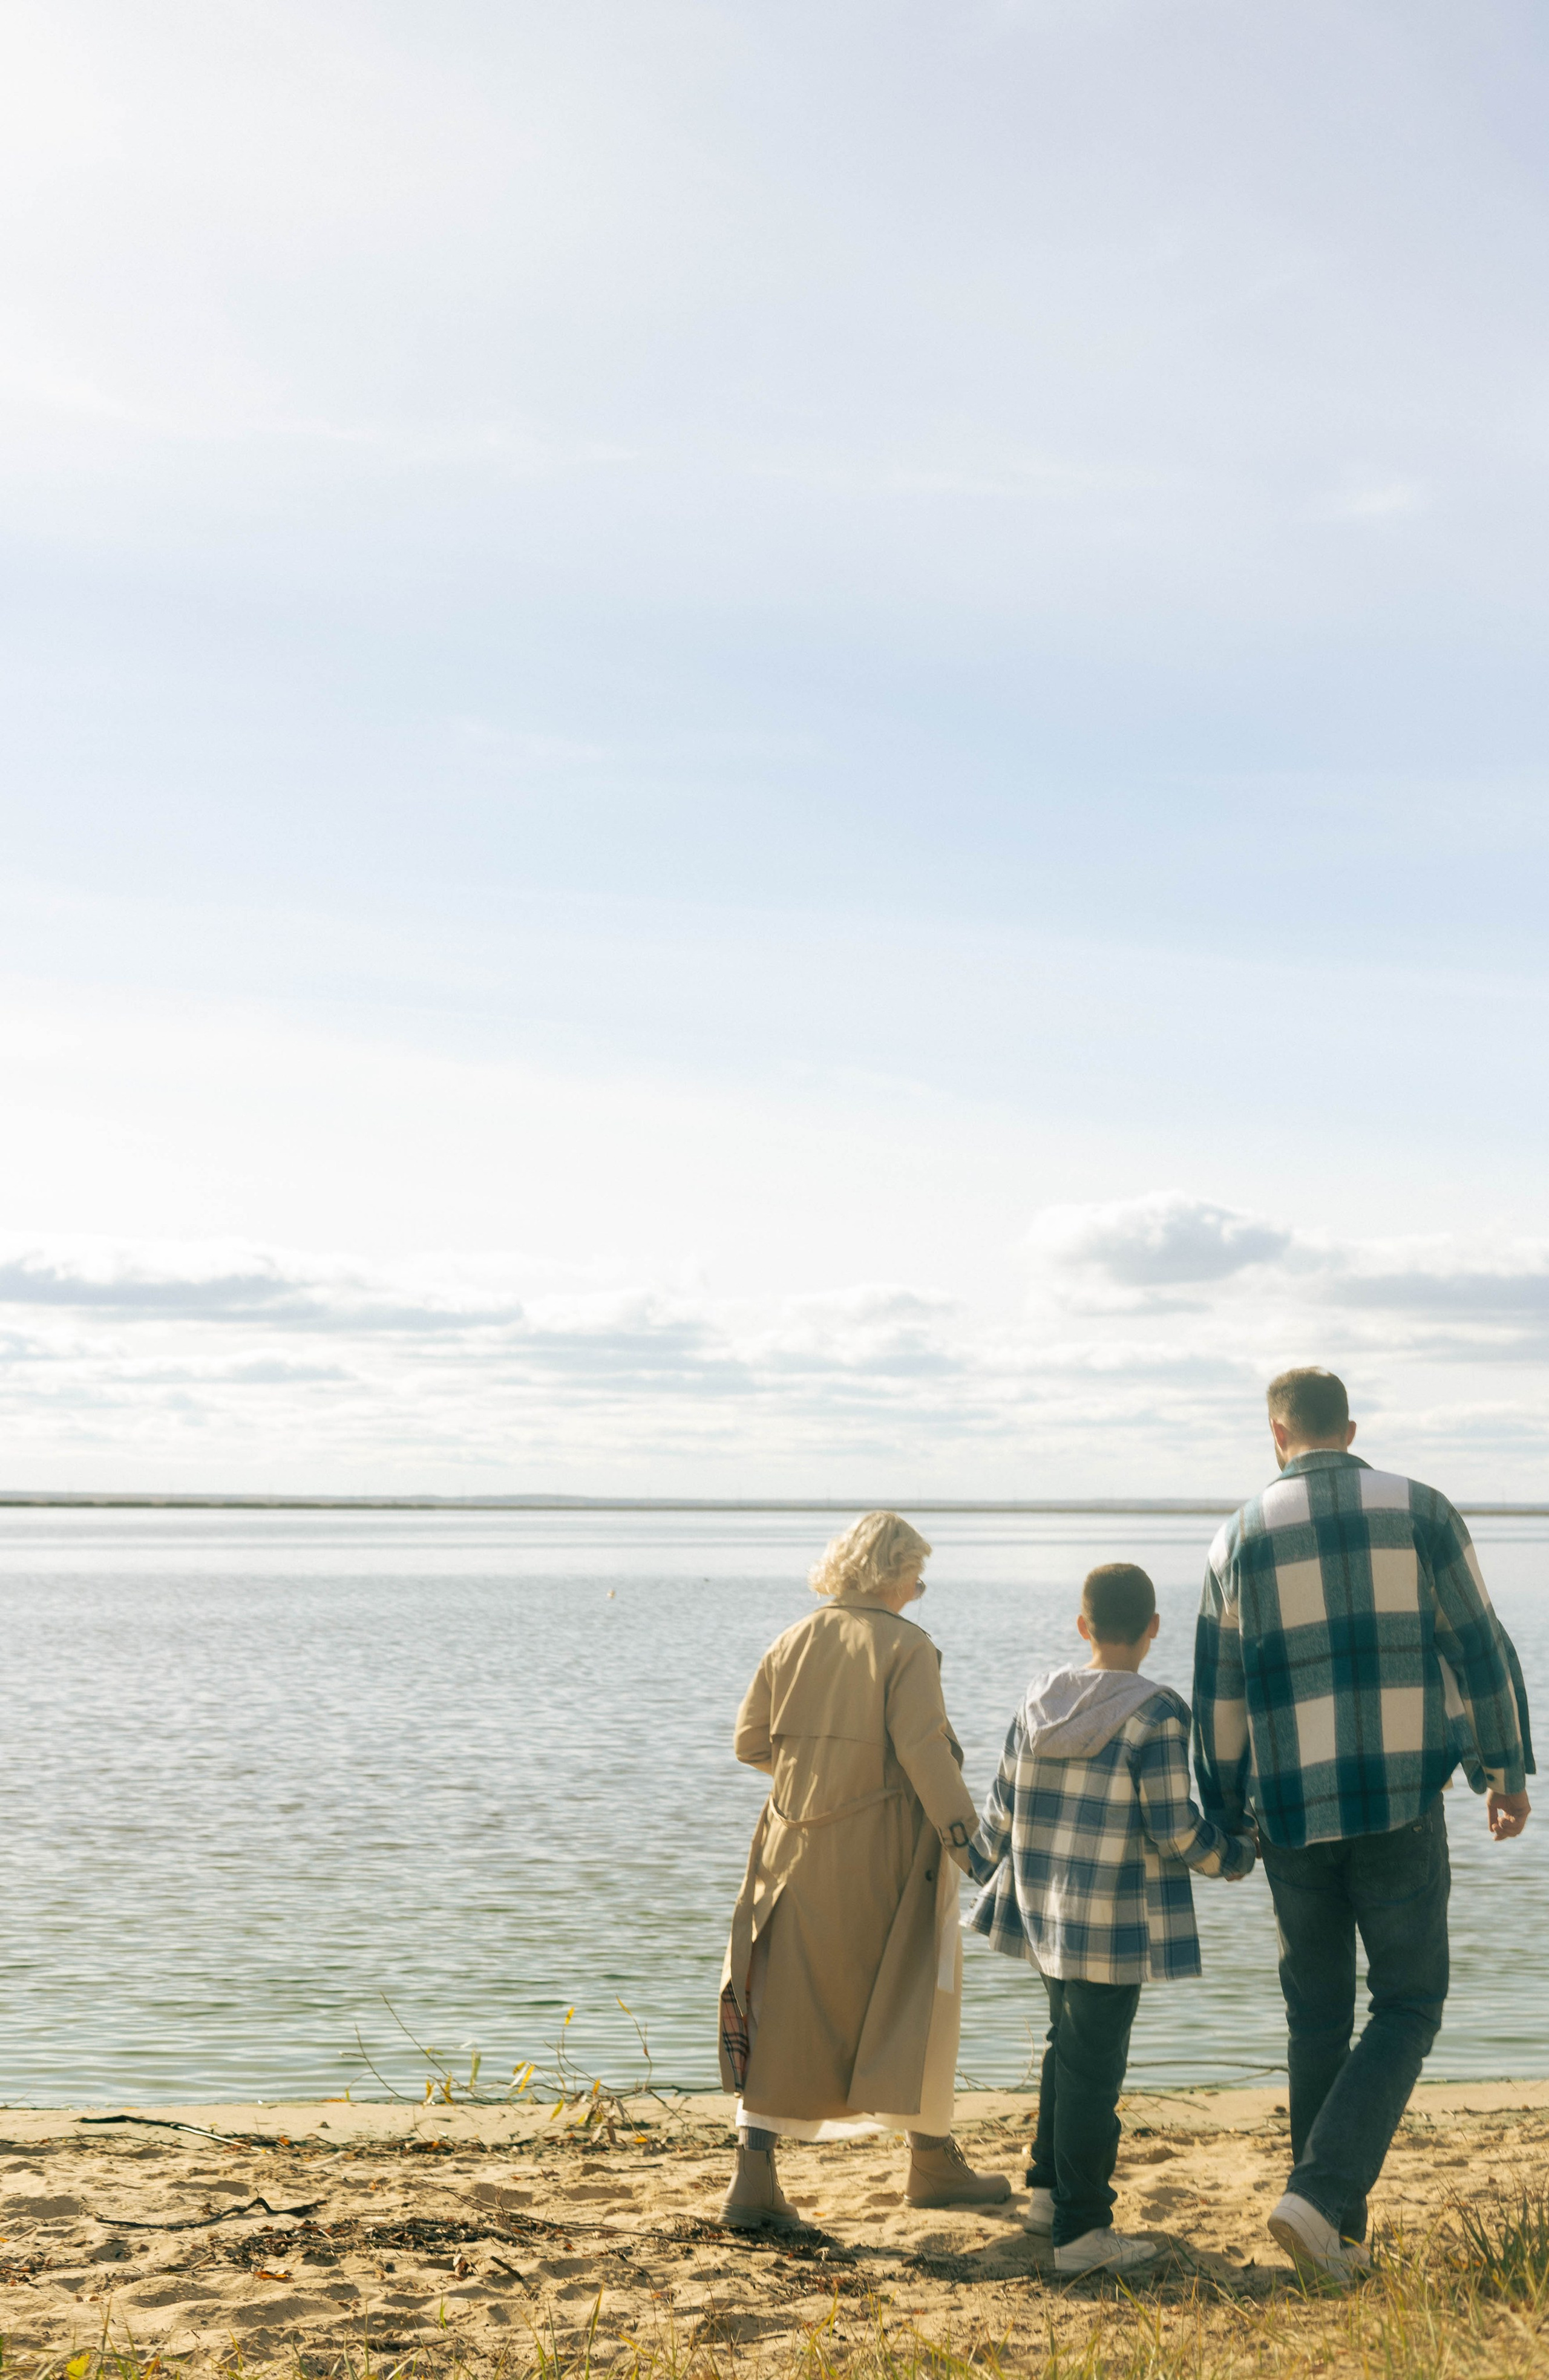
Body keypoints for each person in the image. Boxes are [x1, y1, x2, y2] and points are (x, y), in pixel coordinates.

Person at [1193, 1366, 1534, 2286]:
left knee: (1317, 2018)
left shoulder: (1236, 1535)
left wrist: (1223, 1815)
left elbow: (1219, 1695)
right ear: (1349, 1428)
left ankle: (1334, 2238)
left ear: (1276, 1434)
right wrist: (1501, 1768)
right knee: (1411, 2002)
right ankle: (1321, 2201)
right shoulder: (1421, 1509)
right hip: (1397, 1801)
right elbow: (1479, 1643)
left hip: (1290, 1816)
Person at [716, 1510, 1012, 2228]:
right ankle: (930, 2160)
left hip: (790, 1845)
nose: (921, 1585)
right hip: (882, 1849)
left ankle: (754, 2178)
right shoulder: (907, 1647)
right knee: (918, 1990)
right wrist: (971, 1848)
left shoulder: (792, 1639)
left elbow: (750, 1742)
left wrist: (821, 1772)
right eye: (917, 1570)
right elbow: (923, 1752)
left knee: (780, 2005)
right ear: (890, 1571)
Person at [966, 1561, 1255, 2273]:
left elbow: (999, 1812)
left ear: (1082, 1626)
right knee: (1094, 2072)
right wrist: (1237, 1858)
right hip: (1111, 1921)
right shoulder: (1157, 1711)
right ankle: (1082, 2233)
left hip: (1044, 1914)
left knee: (1068, 2053)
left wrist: (969, 1869)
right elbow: (1173, 1831)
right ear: (1154, 1629)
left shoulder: (1040, 1699)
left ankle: (1046, 2197)